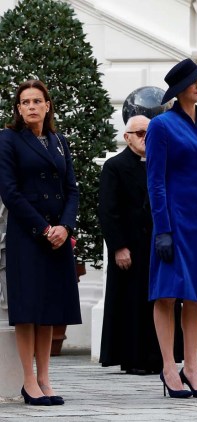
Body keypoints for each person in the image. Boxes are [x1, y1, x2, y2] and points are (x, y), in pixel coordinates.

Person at [146, 58, 197, 399]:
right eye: (194, 80)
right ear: (179, 90)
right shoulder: (161, 127)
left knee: (196, 296)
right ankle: (169, 366)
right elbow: (156, 183)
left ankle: (192, 366)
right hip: (175, 223)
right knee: (167, 293)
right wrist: (163, 228)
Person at [0, 80, 82, 406]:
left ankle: (46, 378)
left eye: (37, 100)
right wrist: (45, 229)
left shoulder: (58, 141)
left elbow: (72, 189)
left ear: (48, 105)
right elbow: (10, 191)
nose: (32, 106)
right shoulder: (8, 140)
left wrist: (65, 226)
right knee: (27, 311)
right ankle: (29, 381)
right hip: (28, 236)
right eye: (25, 102)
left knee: (49, 310)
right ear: (18, 109)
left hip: (58, 238)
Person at [98, 115, 184, 375]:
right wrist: (118, 246)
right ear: (127, 137)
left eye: (150, 133)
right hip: (130, 247)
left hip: (159, 245)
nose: (145, 138)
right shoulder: (114, 166)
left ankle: (162, 357)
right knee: (131, 302)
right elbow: (108, 210)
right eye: (140, 133)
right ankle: (133, 358)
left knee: (163, 299)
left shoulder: (163, 163)